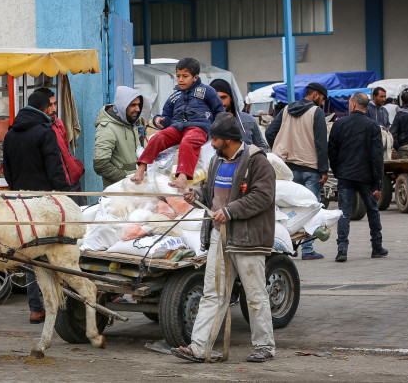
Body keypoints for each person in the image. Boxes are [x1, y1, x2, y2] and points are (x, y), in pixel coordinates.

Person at [171, 112, 276, 363]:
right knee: (213, 292)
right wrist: (195, 196)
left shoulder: (257, 162)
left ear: (227, 140)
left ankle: (265, 346)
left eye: (214, 140)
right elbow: (209, 195)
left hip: (248, 239)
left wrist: (230, 211)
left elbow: (263, 196)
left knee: (255, 294)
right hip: (221, 236)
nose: (211, 145)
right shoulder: (217, 162)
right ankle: (199, 347)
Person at [2, 88, 71, 324]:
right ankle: (58, 304)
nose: (54, 109)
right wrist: (65, 194)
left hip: (21, 201)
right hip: (44, 202)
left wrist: (19, 191)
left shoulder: (11, 134)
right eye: (51, 104)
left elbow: (8, 171)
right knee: (53, 251)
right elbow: (55, 169)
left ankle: (35, 308)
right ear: (42, 106)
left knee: (30, 253)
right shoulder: (45, 132)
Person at [130, 58, 224, 191]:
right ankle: (141, 168)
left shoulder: (207, 91)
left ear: (195, 77)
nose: (180, 79)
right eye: (178, 76)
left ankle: (183, 177)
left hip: (198, 127)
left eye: (185, 76)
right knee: (157, 137)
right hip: (176, 128)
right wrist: (160, 120)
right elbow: (166, 116)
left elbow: (219, 111)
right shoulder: (174, 96)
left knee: (188, 142)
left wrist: (217, 130)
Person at [264, 82, 328, 260]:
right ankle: (307, 250)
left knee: (288, 209)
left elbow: (269, 132)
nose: (322, 103)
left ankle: (289, 247)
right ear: (315, 95)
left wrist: (279, 149)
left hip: (286, 169)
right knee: (311, 208)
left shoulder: (285, 110)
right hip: (310, 168)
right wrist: (324, 169)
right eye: (322, 99)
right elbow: (321, 143)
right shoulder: (317, 112)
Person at [328, 92, 387, 262]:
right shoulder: (372, 126)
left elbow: (332, 151)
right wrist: (378, 183)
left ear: (353, 104)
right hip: (366, 177)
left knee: (344, 212)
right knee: (372, 210)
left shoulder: (339, 125)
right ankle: (377, 247)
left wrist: (338, 171)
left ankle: (342, 250)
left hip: (345, 175)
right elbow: (377, 157)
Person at [38, 87, 86, 206]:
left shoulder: (58, 123)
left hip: (73, 182)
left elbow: (66, 151)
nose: (53, 109)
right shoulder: (38, 129)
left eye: (55, 104)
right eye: (49, 105)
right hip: (56, 189)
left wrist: (76, 166)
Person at [93, 86, 144, 189]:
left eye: (138, 105)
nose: (137, 109)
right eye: (133, 105)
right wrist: (126, 178)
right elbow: (100, 164)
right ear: (122, 105)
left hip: (133, 188)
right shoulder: (107, 128)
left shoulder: (129, 123)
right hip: (118, 192)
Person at [209, 78, 268, 152]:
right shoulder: (204, 122)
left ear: (232, 98)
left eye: (223, 97)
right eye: (215, 98)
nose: (220, 102)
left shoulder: (248, 120)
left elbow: (261, 147)